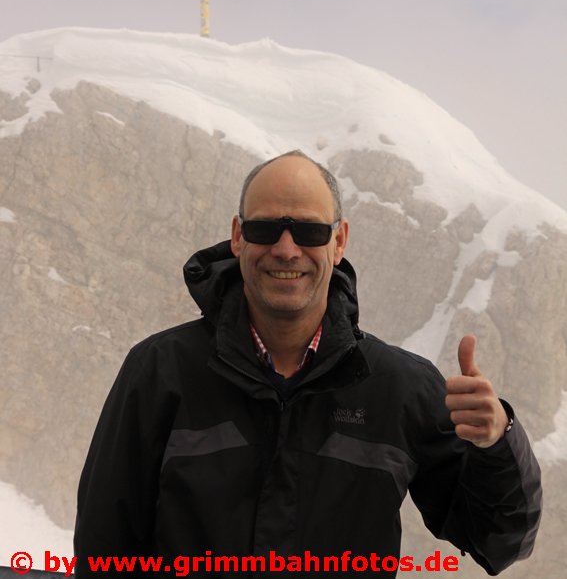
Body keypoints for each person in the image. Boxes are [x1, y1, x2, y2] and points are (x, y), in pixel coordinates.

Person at [74, 150, 542, 576]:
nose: (285, 248)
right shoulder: (158, 372)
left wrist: (497, 441)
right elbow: (103, 551)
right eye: (264, 228)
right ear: (238, 237)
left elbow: (500, 541)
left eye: (309, 230)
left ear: (339, 242)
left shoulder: (399, 388)